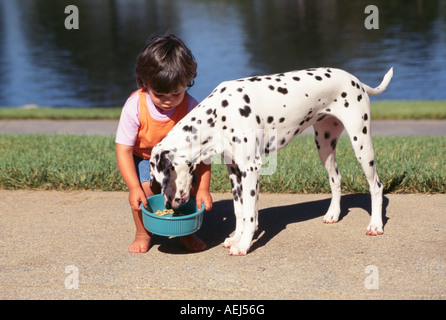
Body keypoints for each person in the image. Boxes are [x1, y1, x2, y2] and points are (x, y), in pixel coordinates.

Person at [115, 34, 212, 253]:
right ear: (144, 83)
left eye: (176, 93)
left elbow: (204, 152)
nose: (168, 101)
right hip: (144, 158)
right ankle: (142, 232)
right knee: (146, 193)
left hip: (178, 160)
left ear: (187, 82)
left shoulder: (191, 109)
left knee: (187, 190)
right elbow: (123, 149)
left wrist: (204, 188)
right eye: (159, 95)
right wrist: (133, 187)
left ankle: (187, 233)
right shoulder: (135, 106)